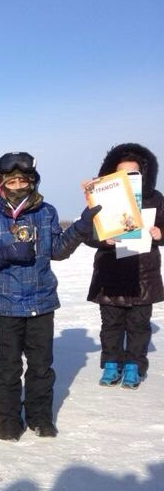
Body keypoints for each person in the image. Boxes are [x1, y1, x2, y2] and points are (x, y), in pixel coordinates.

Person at [0, 151, 100, 441]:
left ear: (32, 181)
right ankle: (7, 418)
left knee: (41, 367)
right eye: (11, 180)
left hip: (41, 302)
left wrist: (81, 226)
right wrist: (5, 252)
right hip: (6, 305)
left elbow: (58, 250)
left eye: (23, 180)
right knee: (8, 368)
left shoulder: (46, 212)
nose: (18, 186)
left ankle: (40, 417)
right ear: (0, 183)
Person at [84, 143, 163, 389]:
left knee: (139, 324)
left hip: (143, 273)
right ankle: (110, 364)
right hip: (111, 272)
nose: (129, 177)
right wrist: (101, 238)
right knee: (111, 324)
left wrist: (160, 233)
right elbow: (86, 232)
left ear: (143, 174)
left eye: (134, 173)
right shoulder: (101, 197)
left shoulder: (155, 198)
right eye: (123, 173)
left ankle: (133, 366)